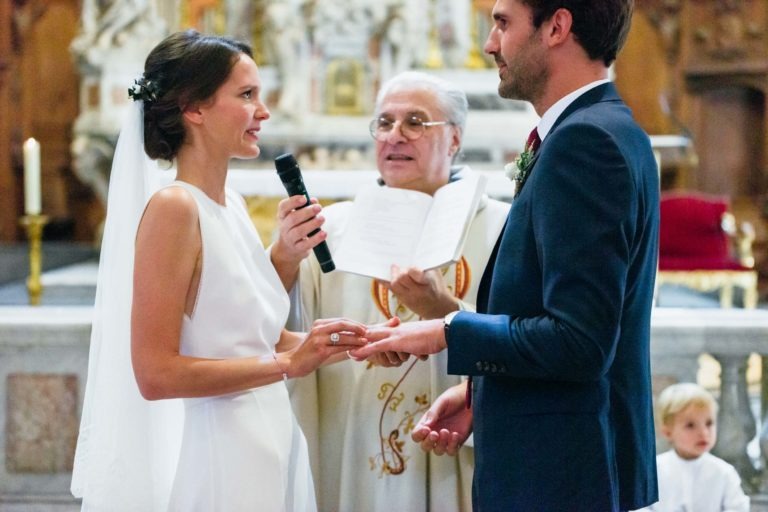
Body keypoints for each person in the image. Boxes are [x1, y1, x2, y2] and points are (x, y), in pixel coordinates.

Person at [352, 1, 660, 511]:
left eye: (502, 23)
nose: (490, 43)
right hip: (569, 463)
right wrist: (481, 393)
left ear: (557, 26)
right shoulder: (604, 128)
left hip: (560, 478)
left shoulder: (585, 142)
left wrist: (442, 333)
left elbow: (581, 341)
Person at [70, 30, 368, 511]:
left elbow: (249, 335)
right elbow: (155, 372)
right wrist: (290, 363)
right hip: (222, 457)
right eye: (247, 95)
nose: (264, 112)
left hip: (271, 439)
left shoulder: (229, 204)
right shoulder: (174, 209)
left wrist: (350, 342)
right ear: (194, 108)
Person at [270, 71, 510, 512]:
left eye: (416, 122)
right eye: (384, 123)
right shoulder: (334, 230)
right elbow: (280, 325)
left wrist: (445, 309)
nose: (395, 135)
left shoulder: (500, 227)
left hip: (456, 437)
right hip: (355, 437)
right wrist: (284, 256)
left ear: (454, 139)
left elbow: (522, 337)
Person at [635, 383, 750, 512]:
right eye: (690, 425)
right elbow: (639, 507)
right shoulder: (653, 471)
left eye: (709, 423)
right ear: (668, 432)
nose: (704, 433)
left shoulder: (724, 473)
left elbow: (738, 508)